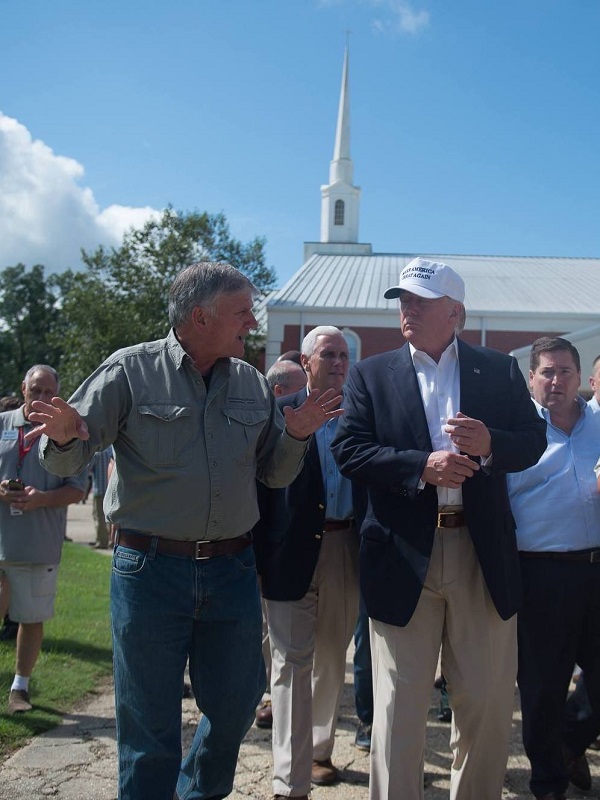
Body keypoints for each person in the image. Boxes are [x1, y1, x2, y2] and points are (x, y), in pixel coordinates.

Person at [28, 261, 342, 800]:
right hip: (149, 572)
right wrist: (59, 440)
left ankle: (197, 792)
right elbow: (65, 455)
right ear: (201, 316)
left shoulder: (251, 382)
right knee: (149, 721)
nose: (252, 321)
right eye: (241, 311)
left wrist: (294, 436)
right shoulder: (128, 371)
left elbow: (273, 471)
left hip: (232, 571)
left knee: (240, 700)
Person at [331, 257, 547, 800]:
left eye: (420, 301)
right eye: (403, 299)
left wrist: (490, 443)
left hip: (480, 552)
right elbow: (348, 450)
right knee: (399, 707)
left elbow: (533, 441)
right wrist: (418, 466)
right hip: (402, 553)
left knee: (487, 702)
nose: (407, 309)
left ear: (455, 313)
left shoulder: (497, 371)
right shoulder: (370, 374)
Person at [254, 326, 359, 800]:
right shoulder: (276, 413)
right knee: (290, 664)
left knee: (333, 659)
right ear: (306, 360)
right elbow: (258, 485)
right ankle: (288, 782)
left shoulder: (363, 416)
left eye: (344, 355)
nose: (338, 362)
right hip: (288, 552)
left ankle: (319, 752)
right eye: (329, 354)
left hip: (345, 550)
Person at [507, 337, 600, 800]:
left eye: (565, 371)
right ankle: (548, 784)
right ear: (531, 379)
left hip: (597, 571)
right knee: (543, 687)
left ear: (580, 377)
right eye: (547, 372)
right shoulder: (516, 431)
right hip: (541, 576)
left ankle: (569, 738)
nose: (557, 380)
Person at [0, 365, 87, 714]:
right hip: (2, 537)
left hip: (38, 543)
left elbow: (76, 491)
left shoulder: (65, 431)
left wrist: (39, 499)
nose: (42, 397)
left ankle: (19, 688)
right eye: (36, 390)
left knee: (31, 616)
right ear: (23, 388)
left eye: (49, 391)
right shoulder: (3, 423)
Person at [254, 358, 308, 730]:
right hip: (266, 548)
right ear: (278, 391)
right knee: (265, 634)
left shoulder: (316, 418)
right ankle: (265, 695)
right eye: (297, 388)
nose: (305, 395)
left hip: (302, 548)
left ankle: (275, 697)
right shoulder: (264, 424)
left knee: (284, 645)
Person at [88, 446, 114, 549]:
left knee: (99, 516)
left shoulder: (97, 453)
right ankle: (112, 540)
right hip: (110, 489)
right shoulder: (111, 451)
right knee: (111, 517)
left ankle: (102, 541)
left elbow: (89, 468)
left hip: (99, 488)